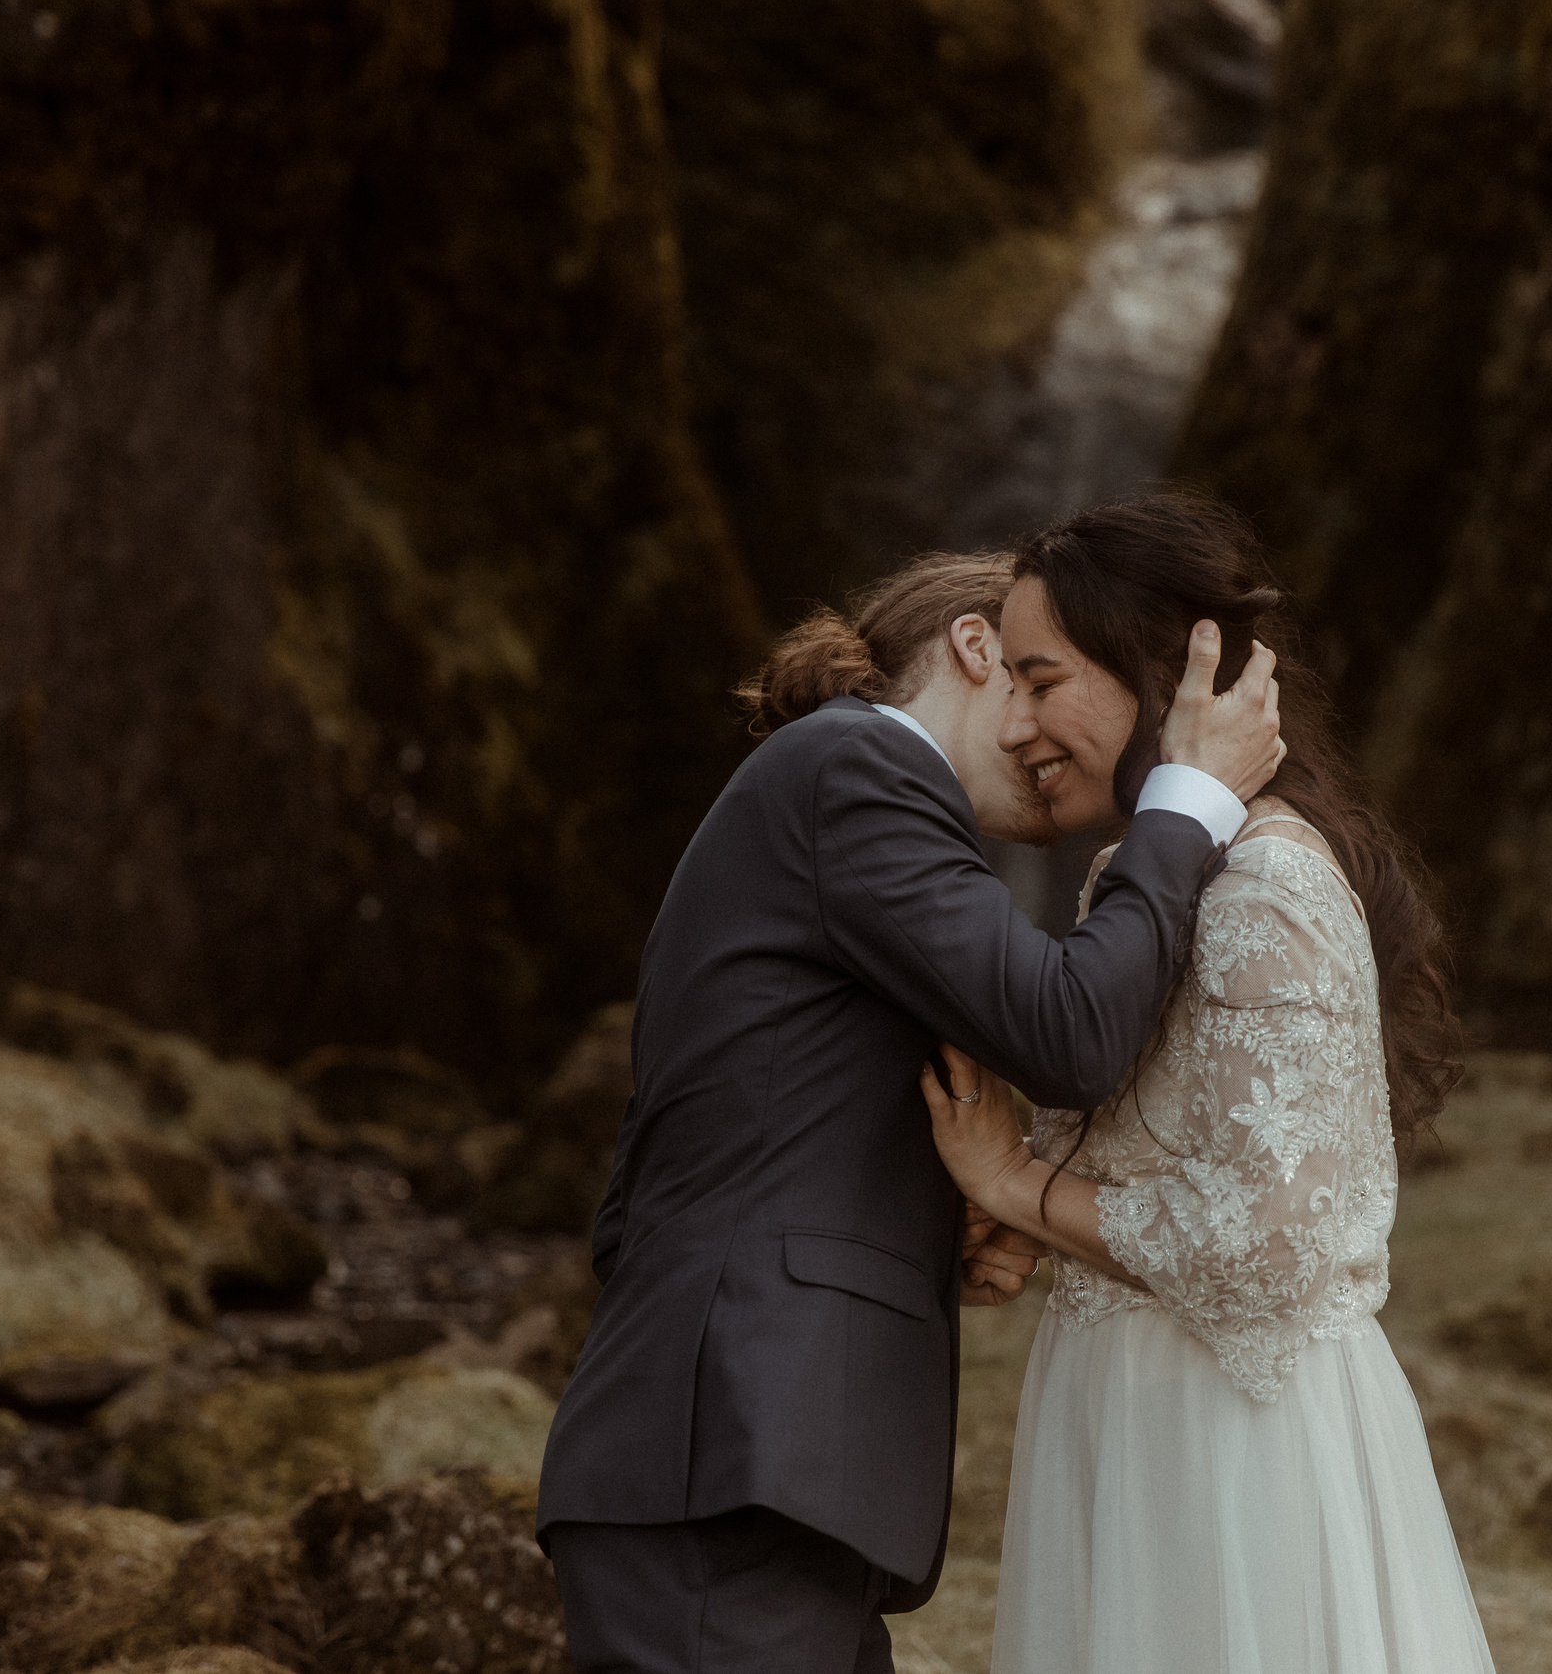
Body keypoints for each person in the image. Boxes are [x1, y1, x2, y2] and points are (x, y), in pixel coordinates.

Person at [537, 550, 1286, 1674]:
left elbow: (739, 1140)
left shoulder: (840, 808)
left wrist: (939, 1228)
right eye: (1035, 683)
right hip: (732, 1473)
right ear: (976, 648)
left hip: (756, 1480)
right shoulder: (857, 767)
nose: (1048, 745)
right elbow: (1071, 1034)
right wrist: (1190, 799)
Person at [921, 493, 1499, 1673]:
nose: (1014, 724)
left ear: (1168, 673)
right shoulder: (1149, 874)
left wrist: (1016, 1182)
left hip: (1226, 1443)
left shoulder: (1257, 890)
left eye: (1040, 680)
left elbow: (1263, 1246)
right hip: (1125, 1407)